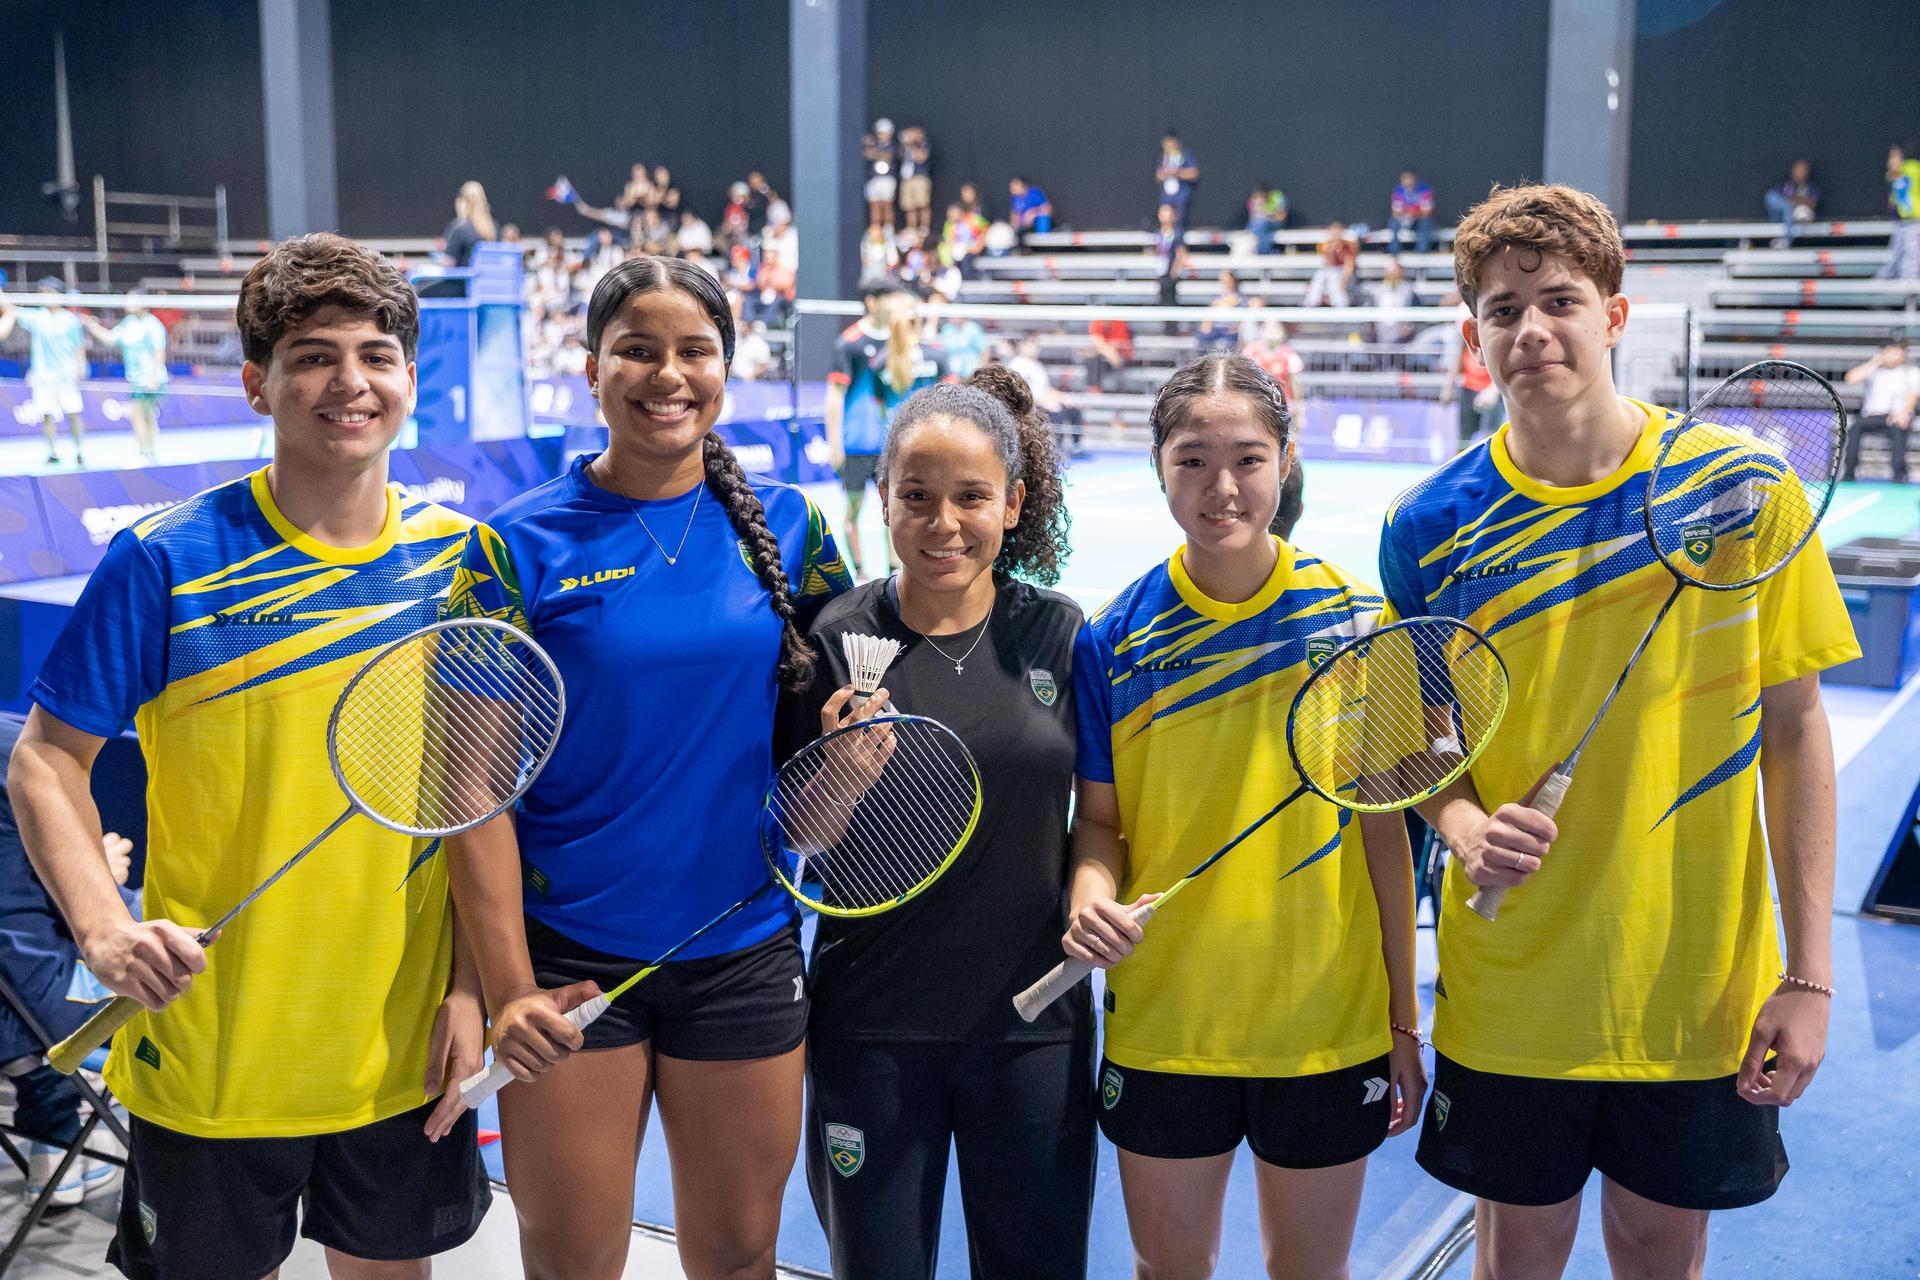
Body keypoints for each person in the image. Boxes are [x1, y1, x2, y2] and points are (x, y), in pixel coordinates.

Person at [1382, 183, 1856, 1280]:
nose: (1532, 329)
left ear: (1616, 316)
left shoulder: (1742, 489)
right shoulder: (1428, 525)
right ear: (1473, 338)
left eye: (1561, 300)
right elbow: (1419, 743)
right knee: (1518, 1253)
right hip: (1512, 983)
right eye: (1504, 310)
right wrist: (1462, 825)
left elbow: (1795, 733)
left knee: (1657, 1252)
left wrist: (1810, 974)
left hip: (1692, 981)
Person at [9, 232, 490, 1280]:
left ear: (410, 378)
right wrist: (103, 927)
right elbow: (45, 760)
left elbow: (478, 800)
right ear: (255, 383)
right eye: (314, 356)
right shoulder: (166, 558)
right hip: (209, 1048)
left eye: (376, 355)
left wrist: (474, 986)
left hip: (397, 1045)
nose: (350, 382)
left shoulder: (466, 560)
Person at [444, 256, 851, 1280]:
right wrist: (507, 989)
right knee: (572, 1263)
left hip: (744, 951)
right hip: (572, 966)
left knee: (741, 1255)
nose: (668, 375)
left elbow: (830, 726)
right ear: (591, 369)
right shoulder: (511, 546)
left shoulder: (795, 529)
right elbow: (472, 793)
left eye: (694, 351)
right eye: (637, 349)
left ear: (726, 369)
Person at [1067, 352, 1425, 1280]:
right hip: (1167, 1023)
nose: (1220, 488)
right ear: (1158, 467)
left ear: (1286, 462)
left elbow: (1386, 834)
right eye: (1192, 460)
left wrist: (1402, 1020)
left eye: (1248, 459)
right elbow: (1100, 823)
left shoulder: (1358, 621)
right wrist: (1089, 896)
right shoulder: (1112, 636)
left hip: (1326, 1022)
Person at [783, 366, 1089, 1279]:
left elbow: (1104, 819)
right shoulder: (833, 635)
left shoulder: (1062, 634)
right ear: (882, 497)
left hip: (1033, 1023)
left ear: (1013, 503)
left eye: (971, 497)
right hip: (873, 1026)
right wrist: (843, 773)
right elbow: (800, 837)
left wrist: (1098, 900)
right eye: (915, 496)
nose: (942, 522)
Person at [0, 714, 131, 1209]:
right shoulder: (22, 749)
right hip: (42, 1008)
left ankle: (56, 1134)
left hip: (19, 1006)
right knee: (176, 935)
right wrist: (100, 873)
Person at [827, 284, 899, 578]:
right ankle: (860, 573)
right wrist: (835, 445)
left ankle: (894, 572)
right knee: (853, 511)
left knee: (894, 510)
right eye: (888, 299)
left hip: (891, 445)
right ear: (872, 302)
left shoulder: (899, 341)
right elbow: (834, 396)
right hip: (856, 444)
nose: (892, 306)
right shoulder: (850, 343)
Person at [0, 279, 89, 466]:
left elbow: (79, 346)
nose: (45, 296)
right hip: (43, 376)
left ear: (59, 295)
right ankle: (52, 452)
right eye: (42, 292)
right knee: (47, 415)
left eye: (49, 292)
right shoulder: (36, 317)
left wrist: (81, 366)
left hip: (67, 375)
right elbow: (10, 308)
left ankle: (79, 450)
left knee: (73, 414)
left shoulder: (70, 319)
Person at [81, 293, 169, 464]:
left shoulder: (152, 324)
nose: (127, 303)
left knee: (143, 415)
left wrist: (153, 377)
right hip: (135, 378)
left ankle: (147, 453)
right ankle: (147, 453)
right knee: (141, 415)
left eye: (132, 300)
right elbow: (110, 339)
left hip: (150, 377)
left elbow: (159, 351)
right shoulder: (128, 323)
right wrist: (92, 325)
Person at [1842, 342, 1920, 482]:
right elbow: (1850, 379)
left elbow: (1913, 396)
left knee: (1898, 430)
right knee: (1855, 429)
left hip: (1896, 416)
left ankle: (1898, 476)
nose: (1896, 356)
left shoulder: (1911, 372)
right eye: (1892, 351)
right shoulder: (1874, 370)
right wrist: (1876, 361)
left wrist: (1904, 413)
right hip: (1872, 416)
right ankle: (1849, 474)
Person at [1007, 336, 1084, 456]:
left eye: (1036, 346)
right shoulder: (1017, 365)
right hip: (1031, 404)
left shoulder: (1037, 365)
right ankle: (1056, 448)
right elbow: (1020, 392)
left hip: (1045, 400)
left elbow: (1046, 388)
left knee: (1074, 408)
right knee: (1057, 411)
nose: (1036, 349)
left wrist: (1064, 397)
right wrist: (1044, 402)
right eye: (1032, 346)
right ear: (1023, 346)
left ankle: (1076, 446)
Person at [1880, 143, 1920, 281]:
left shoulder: (1913, 168)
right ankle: (1884, 283)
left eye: (1895, 155)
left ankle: (1910, 290)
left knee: (1912, 256)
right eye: (1891, 156)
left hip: (1915, 221)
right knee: (1895, 256)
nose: (1892, 160)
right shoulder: (1891, 175)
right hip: (1901, 223)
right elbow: (1894, 198)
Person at [1764, 160, 1820, 248]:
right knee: (1772, 196)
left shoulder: (1811, 187)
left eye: (1802, 171)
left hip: (1800, 214)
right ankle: (1778, 236)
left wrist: (1796, 201)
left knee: (1795, 210)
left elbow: (1812, 203)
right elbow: (1782, 199)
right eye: (1797, 171)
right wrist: (1793, 201)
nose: (1799, 174)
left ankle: (1786, 241)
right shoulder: (1788, 185)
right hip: (1783, 214)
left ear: (1807, 173)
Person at [931, 292, 987, 379]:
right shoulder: (947, 329)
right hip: (950, 375)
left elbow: (984, 352)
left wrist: (981, 375)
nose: (952, 314)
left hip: (970, 374)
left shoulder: (973, 328)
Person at [441, 180, 496, 268]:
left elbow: (449, 263)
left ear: (462, 203)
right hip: (487, 276)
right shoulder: (494, 228)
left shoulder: (461, 230)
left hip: (462, 276)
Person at [1304, 222, 1358, 308]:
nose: (1335, 235)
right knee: (1320, 275)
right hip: (1331, 273)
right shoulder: (1326, 245)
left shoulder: (1348, 246)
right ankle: (1311, 302)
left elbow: (1349, 267)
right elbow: (1328, 264)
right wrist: (1330, 250)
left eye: (1337, 232)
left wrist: (1343, 281)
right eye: (1333, 232)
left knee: (1334, 277)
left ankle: (1341, 304)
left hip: (1345, 275)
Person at [1155, 132, 1199, 232]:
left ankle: (1177, 240)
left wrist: (1177, 172)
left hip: (1181, 197)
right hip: (1166, 198)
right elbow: (1158, 175)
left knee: (1178, 223)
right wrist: (1165, 173)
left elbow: (1193, 173)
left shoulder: (1185, 156)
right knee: (1166, 223)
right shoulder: (1164, 158)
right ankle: (1166, 240)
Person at [864, 118, 899, 235]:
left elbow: (887, 155)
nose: (881, 135)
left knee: (886, 204)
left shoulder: (892, 146)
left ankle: (888, 229)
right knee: (874, 204)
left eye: (883, 133)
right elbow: (868, 155)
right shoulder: (874, 145)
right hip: (874, 178)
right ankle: (876, 228)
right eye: (879, 133)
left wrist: (875, 150)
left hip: (887, 179)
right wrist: (869, 145)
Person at [1388, 170, 1435, 256]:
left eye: (1409, 178)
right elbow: (1395, 212)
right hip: (1404, 220)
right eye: (1405, 179)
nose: (1407, 182)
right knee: (1393, 222)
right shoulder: (1398, 191)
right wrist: (1407, 214)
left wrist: (1413, 214)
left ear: (1414, 179)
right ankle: (1394, 251)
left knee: (1426, 222)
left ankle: (1422, 251)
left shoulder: (1424, 189)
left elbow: (1427, 212)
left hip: (1418, 220)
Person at [1370, 259, 1417, 345]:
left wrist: (1408, 327)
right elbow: (1369, 314)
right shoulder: (1377, 291)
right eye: (1391, 271)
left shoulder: (1408, 292)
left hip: (1401, 337)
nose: (1393, 274)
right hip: (1380, 334)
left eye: (1396, 271)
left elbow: (1416, 313)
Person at [1084, 315, 1134, 394]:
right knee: (1093, 360)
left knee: (1114, 362)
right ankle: (1094, 388)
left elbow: (1119, 344)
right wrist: (1109, 352)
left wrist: (1102, 348)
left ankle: (1118, 392)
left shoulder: (1119, 322)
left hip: (1121, 355)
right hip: (1109, 357)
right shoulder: (1096, 322)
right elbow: (1098, 343)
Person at [899, 126, 934, 238]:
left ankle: (924, 227)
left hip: (920, 177)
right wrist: (904, 146)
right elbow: (900, 157)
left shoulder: (923, 144)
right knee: (909, 206)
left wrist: (912, 145)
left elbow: (921, 158)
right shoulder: (906, 147)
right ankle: (911, 228)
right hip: (907, 178)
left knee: (922, 203)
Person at [1247, 182, 1288, 254]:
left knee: (1262, 225)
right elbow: (1252, 217)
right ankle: (1268, 251)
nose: (1264, 196)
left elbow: (1282, 217)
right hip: (1258, 226)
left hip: (1274, 224)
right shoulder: (1255, 198)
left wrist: (1270, 215)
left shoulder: (1277, 197)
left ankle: (1262, 251)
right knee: (1257, 226)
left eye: (1265, 193)